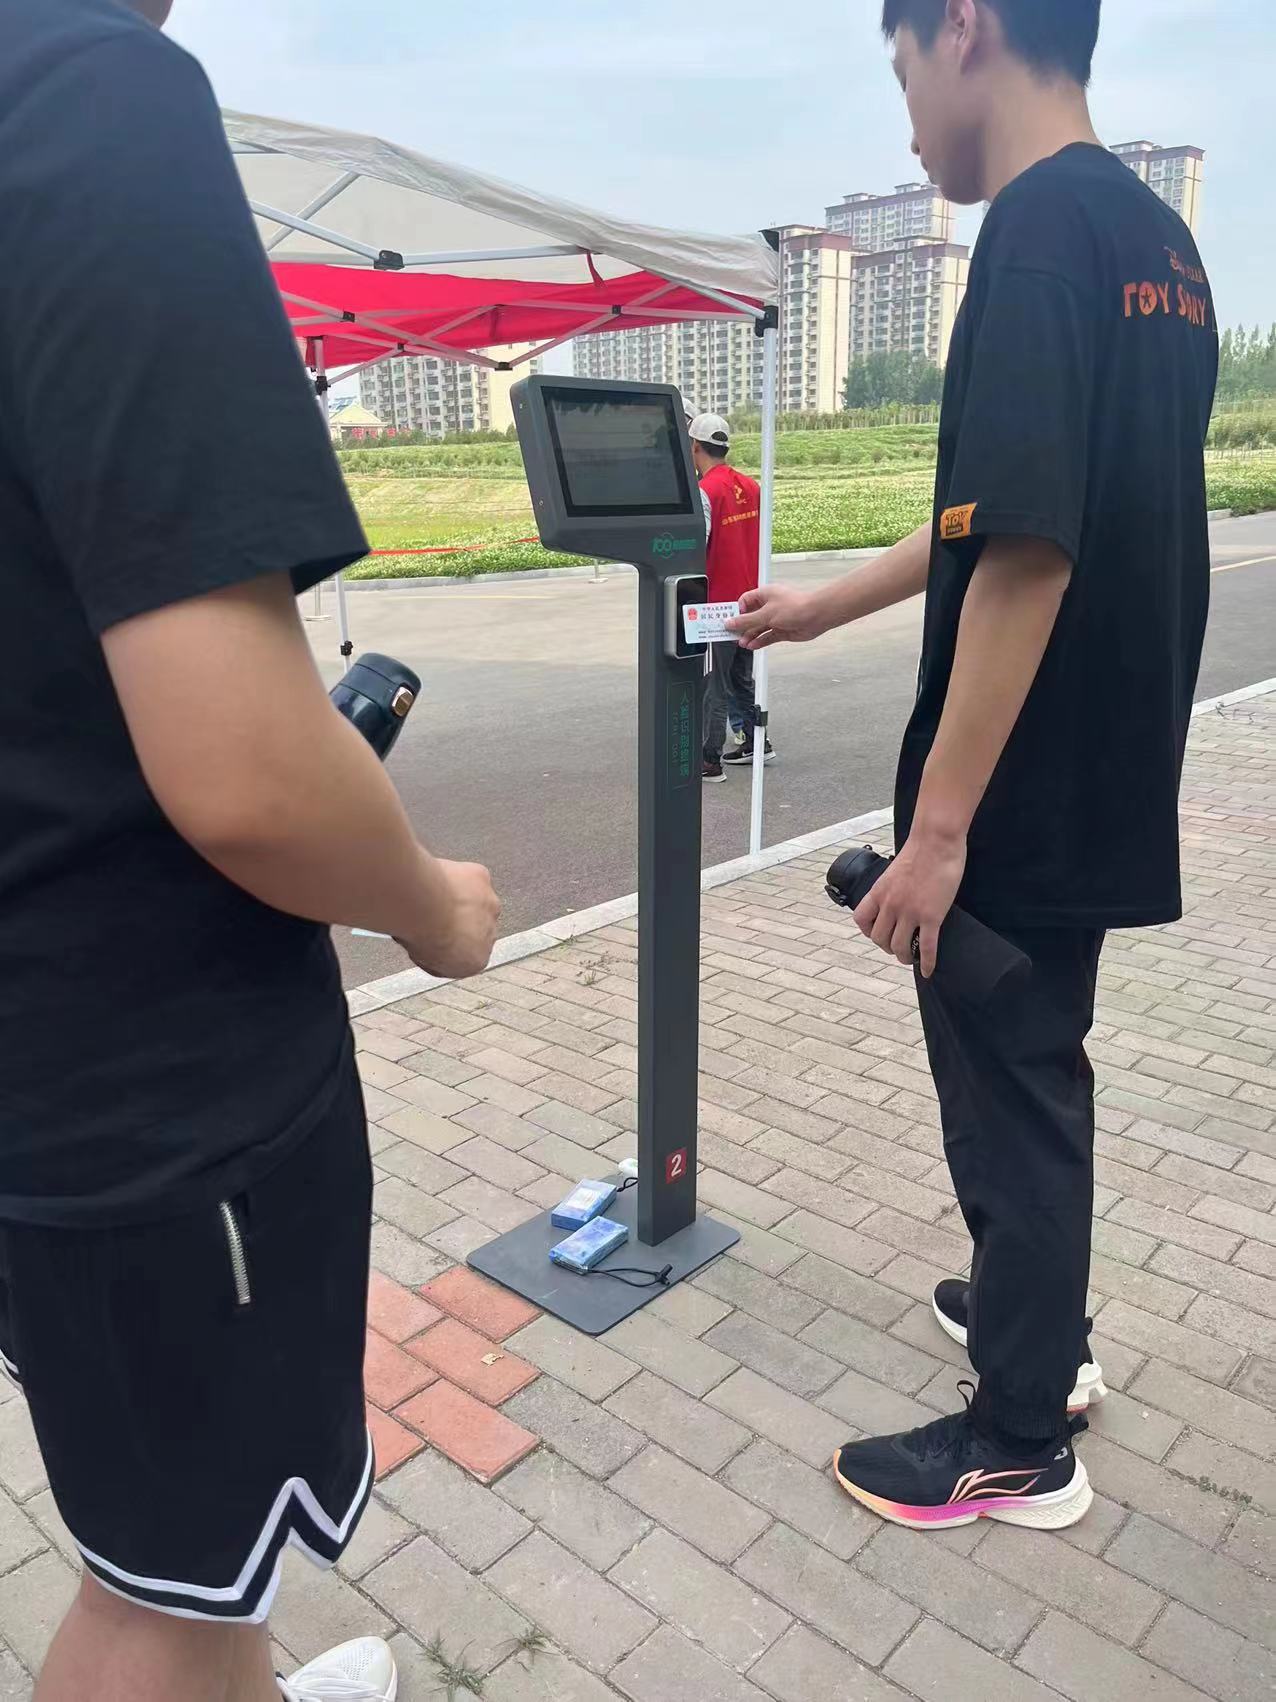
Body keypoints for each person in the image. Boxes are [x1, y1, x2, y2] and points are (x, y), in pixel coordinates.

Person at [0, 2, 500, 1697]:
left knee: (190, 1557)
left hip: (40, 1086)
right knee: (163, 1592)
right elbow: (250, 772)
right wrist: (434, 907)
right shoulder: (88, 96)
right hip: (155, 1091)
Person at [732, 0, 1216, 1532]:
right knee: (1035, 1066)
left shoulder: (1035, 233)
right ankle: (1034, 1318)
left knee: (1015, 1095)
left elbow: (1026, 550)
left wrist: (937, 833)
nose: (906, 117)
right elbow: (983, 511)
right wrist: (822, 607)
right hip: (1102, 764)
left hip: (1016, 785)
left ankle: (1019, 1438)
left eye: (898, 73)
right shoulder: (1156, 241)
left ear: (963, 29)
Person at [689, 414, 776, 782]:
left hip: (717, 603)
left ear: (695, 446)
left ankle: (709, 759)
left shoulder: (705, 491)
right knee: (741, 677)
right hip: (750, 599)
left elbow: (698, 545)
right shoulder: (751, 486)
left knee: (715, 682)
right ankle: (758, 742)